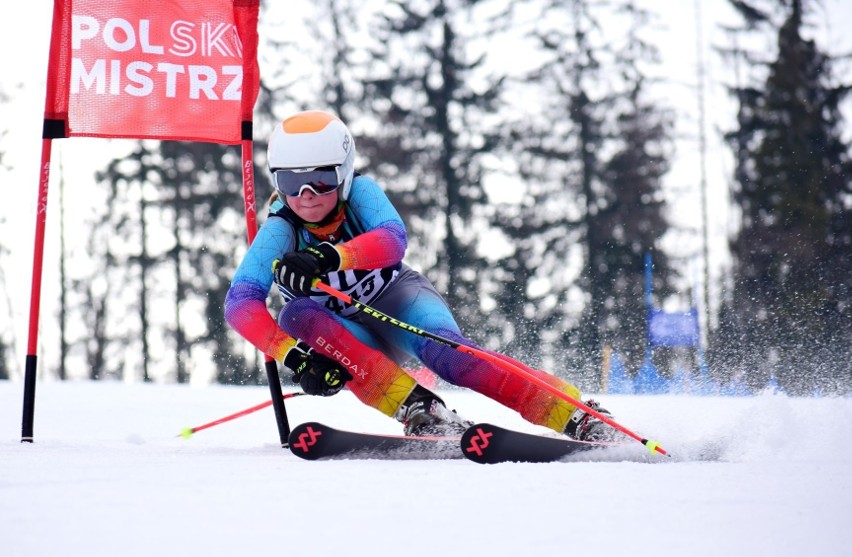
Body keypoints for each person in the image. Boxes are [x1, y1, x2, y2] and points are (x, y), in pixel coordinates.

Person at [225, 109, 615, 440]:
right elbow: (240, 304)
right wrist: (297, 358)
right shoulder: (280, 231)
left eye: (321, 180)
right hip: (349, 336)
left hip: (397, 302)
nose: (306, 193)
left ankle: (575, 413)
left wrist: (331, 256)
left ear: (343, 174)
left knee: (453, 360)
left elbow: (393, 241)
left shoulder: (362, 194)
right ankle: (420, 410)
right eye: (292, 182)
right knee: (295, 314)